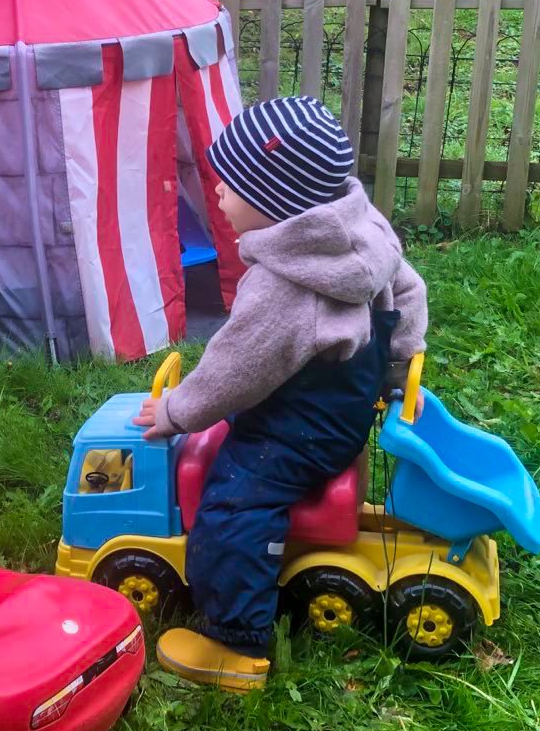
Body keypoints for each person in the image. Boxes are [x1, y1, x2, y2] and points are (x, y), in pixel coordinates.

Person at [133, 95, 427, 692]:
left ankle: (234, 643)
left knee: (233, 503)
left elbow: (236, 369)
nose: (216, 195)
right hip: (346, 402)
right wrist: (398, 369)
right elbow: (410, 289)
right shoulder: (363, 231)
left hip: (301, 427)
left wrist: (177, 411)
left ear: (277, 204)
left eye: (229, 186)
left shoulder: (285, 288)